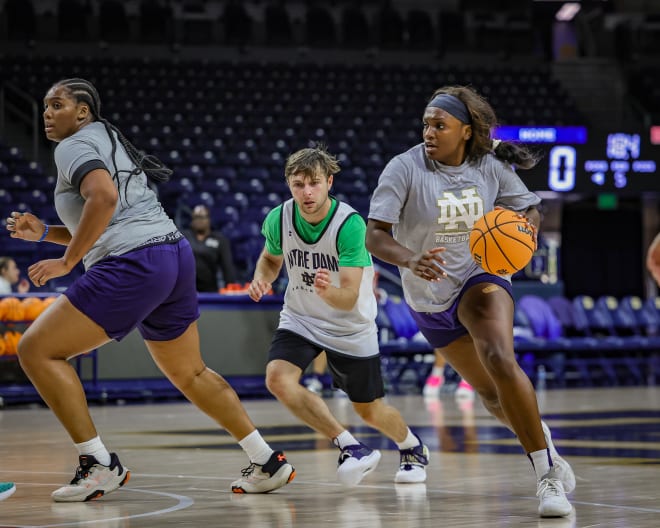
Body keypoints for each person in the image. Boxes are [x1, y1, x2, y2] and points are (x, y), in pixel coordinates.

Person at [4, 78, 294, 502]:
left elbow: (102, 199)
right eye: (45, 106)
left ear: (83, 112)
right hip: (172, 256)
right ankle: (266, 460)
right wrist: (46, 232)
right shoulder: (106, 137)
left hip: (134, 263)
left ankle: (98, 464)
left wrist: (67, 263)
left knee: (36, 350)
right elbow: (109, 220)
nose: (47, 113)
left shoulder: (70, 147)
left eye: (57, 105)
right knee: (191, 372)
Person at [365, 85, 575, 518]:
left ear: (465, 131)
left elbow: (530, 208)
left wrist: (527, 231)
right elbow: (375, 235)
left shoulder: (489, 166)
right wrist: (410, 258)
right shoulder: (403, 168)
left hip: (481, 276)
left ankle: (546, 475)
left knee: (499, 357)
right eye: (425, 123)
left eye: (439, 124)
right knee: (490, 395)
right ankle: (544, 441)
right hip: (427, 295)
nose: (429, 131)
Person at [248, 144, 429, 487]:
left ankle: (412, 447)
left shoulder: (349, 225)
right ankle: (349, 445)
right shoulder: (279, 217)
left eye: (313, 183)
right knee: (277, 378)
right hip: (301, 318)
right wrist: (262, 278)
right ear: (289, 184)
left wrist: (326, 291)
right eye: (298, 184)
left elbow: (347, 298)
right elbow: (271, 259)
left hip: (350, 325)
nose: (307, 192)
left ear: (329, 182)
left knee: (369, 410)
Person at [182, 204, 238, 292]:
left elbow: (227, 268)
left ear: (209, 219)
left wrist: (231, 288)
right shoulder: (182, 237)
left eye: (202, 217)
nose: (199, 220)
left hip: (209, 291)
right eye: (196, 217)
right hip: (185, 291)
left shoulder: (220, 240)